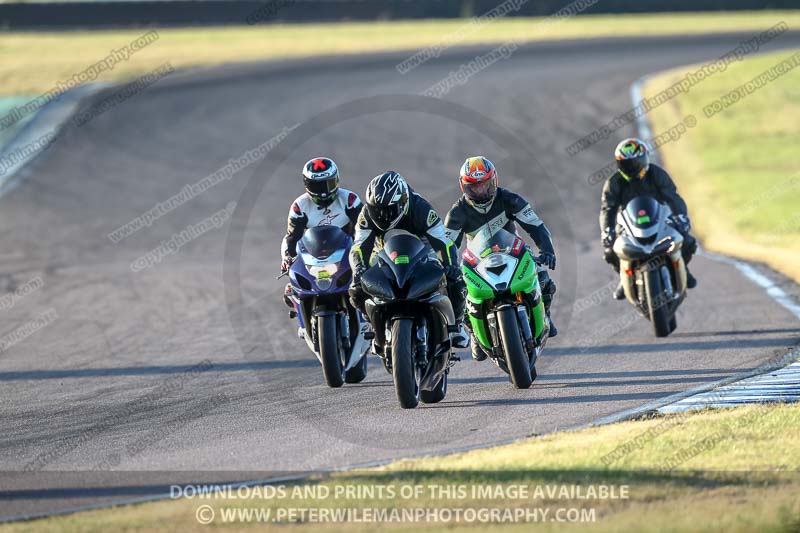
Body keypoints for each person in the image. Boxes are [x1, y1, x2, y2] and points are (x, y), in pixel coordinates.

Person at [444, 156, 558, 361]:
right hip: (479, 260)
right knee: (459, 290)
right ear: (464, 186)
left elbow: (536, 226)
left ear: (494, 180)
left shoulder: (510, 199)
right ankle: (474, 333)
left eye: (485, 185)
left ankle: (544, 314)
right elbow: (447, 245)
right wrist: (451, 267)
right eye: (474, 187)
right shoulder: (456, 213)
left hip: (512, 251)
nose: (480, 191)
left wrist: (547, 250)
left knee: (543, 278)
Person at [347, 171, 469, 350]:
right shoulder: (366, 214)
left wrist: (450, 265)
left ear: (403, 202)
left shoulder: (421, 208)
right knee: (356, 288)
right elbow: (358, 246)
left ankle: (457, 325)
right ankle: (372, 323)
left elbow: (443, 242)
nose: (383, 216)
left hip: (423, 251)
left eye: (389, 210)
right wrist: (359, 267)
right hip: (384, 253)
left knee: (456, 280)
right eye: (377, 210)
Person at [600, 138, 698, 300]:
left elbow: (673, 198)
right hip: (629, 225)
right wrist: (607, 230)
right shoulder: (614, 182)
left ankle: (684, 269)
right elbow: (607, 209)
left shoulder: (657, 174)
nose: (632, 167)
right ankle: (624, 279)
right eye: (626, 164)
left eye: (635, 162)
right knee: (610, 251)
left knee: (687, 241)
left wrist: (680, 216)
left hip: (660, 219)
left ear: (645, 159)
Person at [280, 157, 362, 307]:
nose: (324, 192)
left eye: (328, 184)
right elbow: (292, 237)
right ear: (306, 184)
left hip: (346, 255)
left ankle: (366, 321)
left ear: (336, 180)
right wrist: (287, 258)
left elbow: (364, 229)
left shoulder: (350, 199)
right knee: (292, 290)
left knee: (365, 285)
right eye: (316, 186)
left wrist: (364, 252)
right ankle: (302, 314)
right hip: (314, 255)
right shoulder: (300, 206)